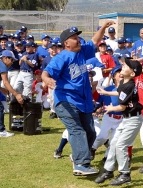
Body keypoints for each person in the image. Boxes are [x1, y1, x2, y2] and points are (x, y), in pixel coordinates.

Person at [42, 22, 115, 176]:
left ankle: (78, 156)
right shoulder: (62, 57)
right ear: (66, 43)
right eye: (74, 37)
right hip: (66, 99)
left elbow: (94, 41)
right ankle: (81, 164)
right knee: (77, 130)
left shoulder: (82, 52)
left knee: (90, 132)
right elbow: (46, 72)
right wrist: (46, 79)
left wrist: (103, 28)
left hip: (84, 101)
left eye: (78, 36)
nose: (78, 39)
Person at [95, 58, 143, 186]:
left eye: (127, 65)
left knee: (121, 145)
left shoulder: (129, 86)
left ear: (132, 74)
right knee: (113, 143)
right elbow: (118, 92)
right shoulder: (123, 82)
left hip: (133, 119)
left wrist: (110, 108)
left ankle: (124, 174)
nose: (124, 65)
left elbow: (122, 107)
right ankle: (109, 170)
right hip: (127, 119)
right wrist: (106, 92)